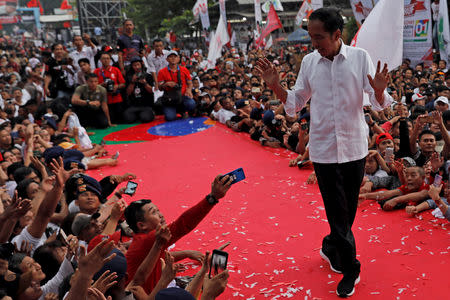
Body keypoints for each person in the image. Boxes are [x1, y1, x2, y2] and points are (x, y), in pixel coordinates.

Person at [256, 8, 393, 297]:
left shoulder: (360, 58)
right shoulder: (309, 62)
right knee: (336, 210)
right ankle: (350, 267)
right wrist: (275, 85)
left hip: (355, 147)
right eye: (311, 36)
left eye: (319, 37)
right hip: (323, 150)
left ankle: (331, 245)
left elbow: (379, 103)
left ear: (336, 34)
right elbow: (294, 104)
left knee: (348, 212)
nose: (313, 43)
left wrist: (379, 91)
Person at [124, 174, 233, 294]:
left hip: (159, 288)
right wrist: (212, 198)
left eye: (158, 209)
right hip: (155, 294)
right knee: (210, 287)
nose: (160, 214)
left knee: (203, 280)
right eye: (154, 212)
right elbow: (182, 225)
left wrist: (186, 253)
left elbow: (158, 256)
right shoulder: (147, 240)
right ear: (141, 225)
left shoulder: (145, 240)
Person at [157, 51, 196, 121]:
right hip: (170, 99)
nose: (173, 58)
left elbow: (190, 83)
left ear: (178, 59)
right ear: (167, 59)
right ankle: (172, 111)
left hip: (182, 96)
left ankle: (182, 111)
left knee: (192, 104)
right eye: (171, 57)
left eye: (175, 57)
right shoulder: (162, 72)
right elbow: (159, 88)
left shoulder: (184, 70)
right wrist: (166, 84)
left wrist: (189, 90)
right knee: (170, 118)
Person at [94, 52, 125, 124]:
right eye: (104, 59)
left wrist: (116, 86)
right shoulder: (97, 71)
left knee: (121, 121)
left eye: (108, 58)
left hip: (117, 99)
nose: (106, 60)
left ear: (110, 60)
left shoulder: (116, 70)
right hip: (104, 101)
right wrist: (102, 85)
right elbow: (93, 87)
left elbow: (123, 84)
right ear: (100, 60)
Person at [124, 57, 155, 123]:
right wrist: (132, 82)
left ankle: (148, 113)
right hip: (134, 105)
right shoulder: (129, 77)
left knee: (145, 118)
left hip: (146, 105)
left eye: (138, 64)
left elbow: (151, 91)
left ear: (141, 65)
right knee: (127, 119)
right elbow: (128, 93)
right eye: (135, 65)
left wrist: (145, 83)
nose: (137, 67)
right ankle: (138, 115)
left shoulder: (148, 76)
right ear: (132, 67)